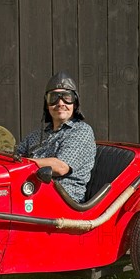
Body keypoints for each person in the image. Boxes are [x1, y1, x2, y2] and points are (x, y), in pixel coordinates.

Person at [16, 71, 96, 203]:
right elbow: (14, 156)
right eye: (53, 98)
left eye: (67, 97)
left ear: (75, 103)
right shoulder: (36, 135)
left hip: (63, 201)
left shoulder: (81, 131)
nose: (60, 103)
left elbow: (61, 167)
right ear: (47, 105)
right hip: (30, 193)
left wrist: (21, 163)